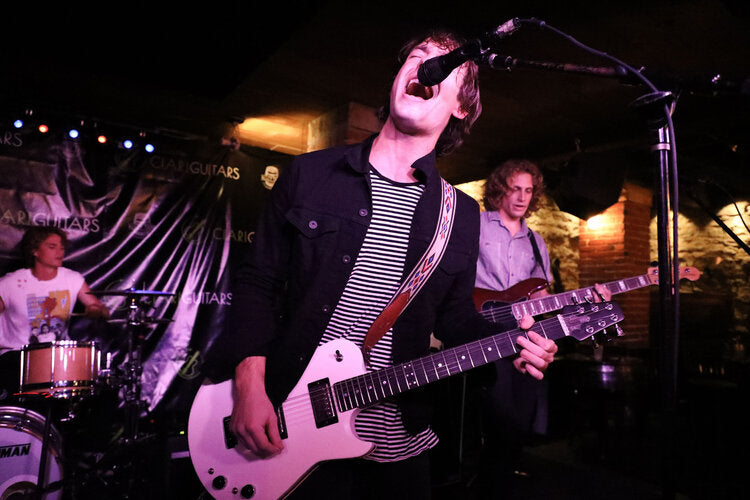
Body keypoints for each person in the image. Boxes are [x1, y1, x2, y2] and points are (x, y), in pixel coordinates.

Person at [203, 29, 558, 499]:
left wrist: (514, 343)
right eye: (418, 56)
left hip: (399, 442)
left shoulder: (460, 213)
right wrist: (249, 383)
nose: (426, 66)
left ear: (462, 108)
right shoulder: (310, 175)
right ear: (398, 77)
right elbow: (256, 282)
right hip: (293, 421)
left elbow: (453, 318)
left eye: (446, 65)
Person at [473, 159, 610, 493]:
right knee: (490, 411)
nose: (522, 197)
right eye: (515, 188)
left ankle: (504, 475)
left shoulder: (537, 242)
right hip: (479, 328)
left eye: (528, 190)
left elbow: (541, 293)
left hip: (522, 335)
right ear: (499, 190)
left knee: (520, 412)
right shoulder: (475, 225)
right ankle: (483, 478)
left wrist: (582, 300)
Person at [0, 226, 109, 399]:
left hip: (58, 356)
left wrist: (95, 310)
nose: (59, 252)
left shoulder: (72, 279)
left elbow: (99, 308)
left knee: (102, 387)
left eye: (62, 247)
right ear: (35, 250)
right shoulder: (10, 283)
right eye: (52, 247)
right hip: (17, 356)